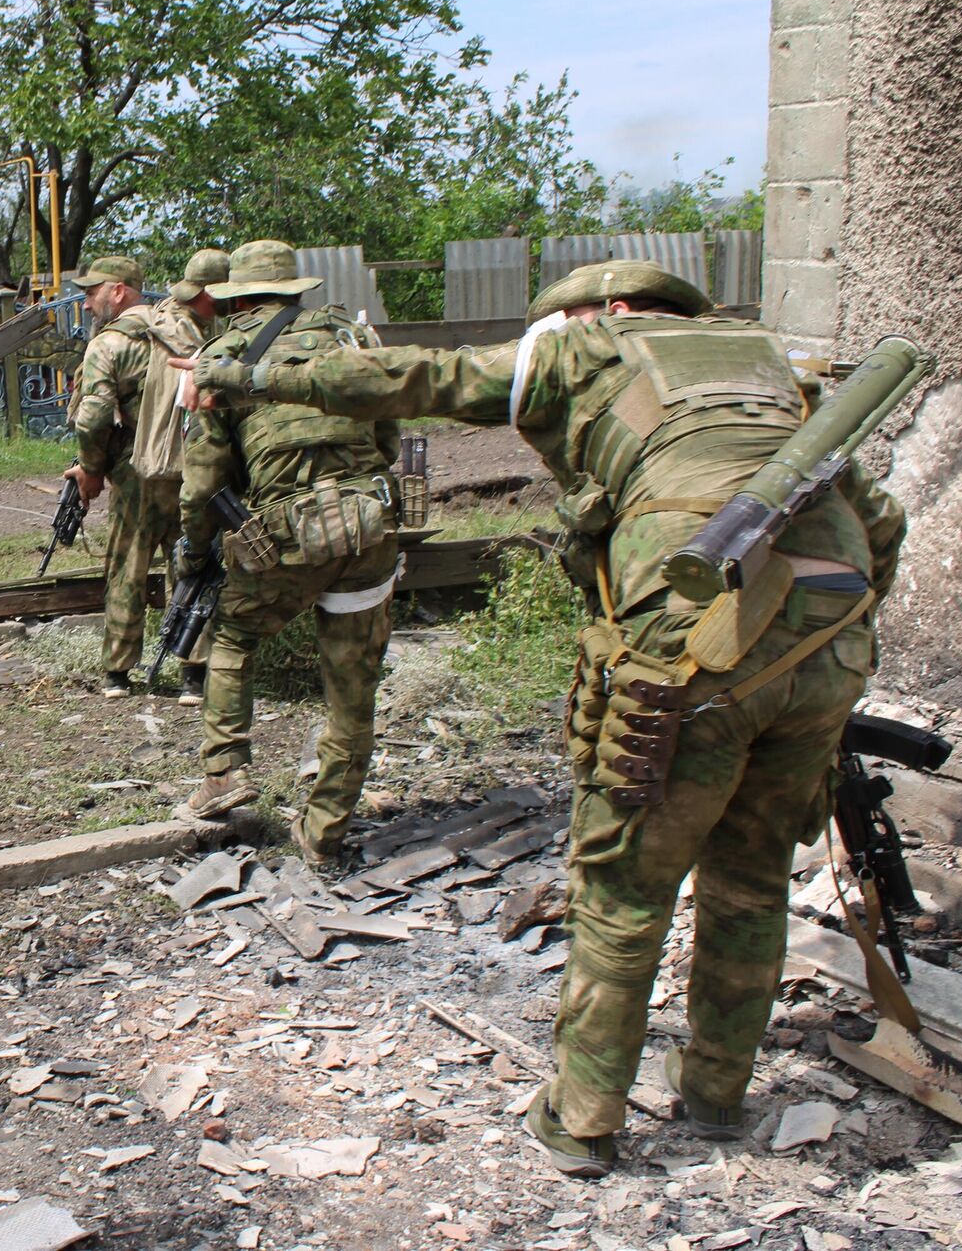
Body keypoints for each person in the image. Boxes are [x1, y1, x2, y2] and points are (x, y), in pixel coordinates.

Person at [180, 259, 906, 1178]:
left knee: (625, 885)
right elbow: (880, 519)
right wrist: (832, 635)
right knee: (754, 878)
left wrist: (248, 375)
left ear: (602, 309)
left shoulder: (589, 347)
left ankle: (583, 1116)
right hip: (833, 636)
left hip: (696, 633)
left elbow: (415, 381)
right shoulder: (770, 367)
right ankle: (718, 1091)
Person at [174, 240, 402, 864]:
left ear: (236, 298)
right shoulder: (354, 342)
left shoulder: (221, 357)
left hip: (284, 534)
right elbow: (388, 439)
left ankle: (225, 773)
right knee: (352, 687)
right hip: (368, 525)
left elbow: (203, 483)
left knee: (233, 636)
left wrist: (195, 555)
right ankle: (325, 832)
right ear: (298, 291)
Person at [65, 249, 231, 702]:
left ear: (117, 291)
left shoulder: (109, 344)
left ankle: (118, 673)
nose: (85, 303)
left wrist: (91, 470)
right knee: (192, 561)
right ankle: (194, 675)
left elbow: (92, 418)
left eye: (91, 292)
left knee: (127, 567)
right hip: (192, 465)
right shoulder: (186, 329)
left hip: (136, 470)